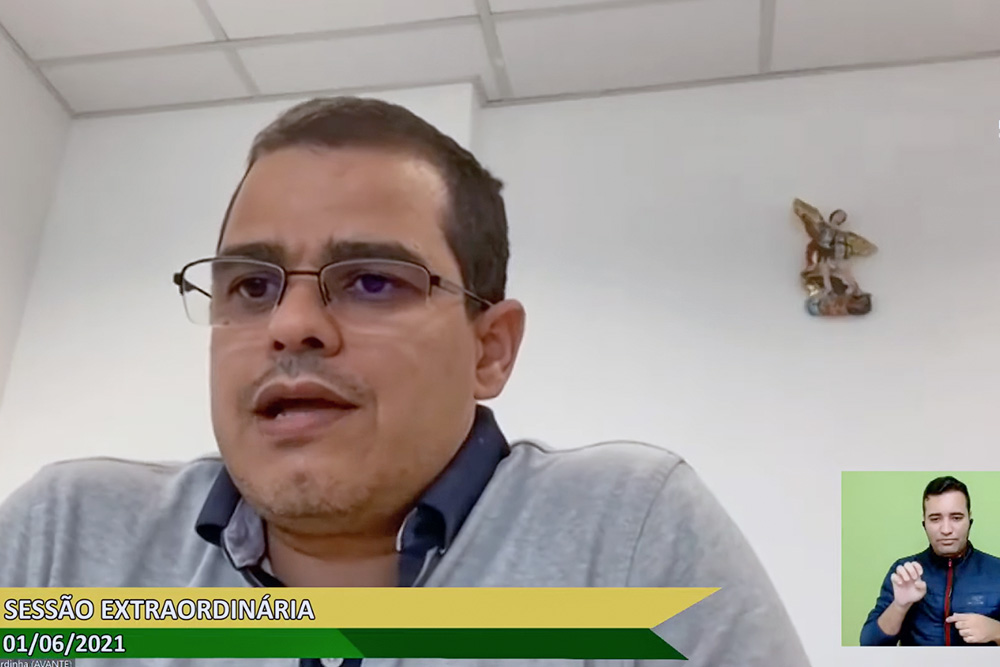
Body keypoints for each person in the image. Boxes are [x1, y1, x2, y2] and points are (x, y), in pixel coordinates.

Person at [0, 96, 809, 666]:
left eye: (372, 281)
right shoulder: (64, 543)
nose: (292, 323)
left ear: (490, 349)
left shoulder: (625, 533)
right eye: (251, 285)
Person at [860, 476, 1000, 646]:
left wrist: (996, 631)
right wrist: (899, 606)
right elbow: (869, 644)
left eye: (956, 518)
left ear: (969, 520)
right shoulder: (905, 572)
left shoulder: (997, 571)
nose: (946, 530)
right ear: (924, 523)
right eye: (935, 519)